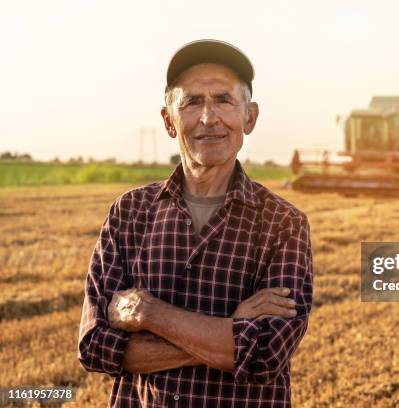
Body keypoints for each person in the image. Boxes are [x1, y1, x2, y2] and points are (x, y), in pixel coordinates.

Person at [77, 39, 313, 407]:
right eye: (191, 102)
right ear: (169, 120)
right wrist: (230, 328)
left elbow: (265, 354)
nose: (208, 118)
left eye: (223, 99)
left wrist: (148, 313)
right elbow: (95, 347)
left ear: (249, 116)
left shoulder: (284, 224)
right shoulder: (129, 213)